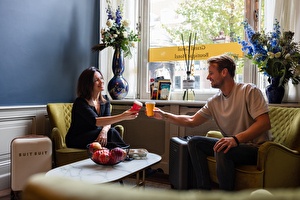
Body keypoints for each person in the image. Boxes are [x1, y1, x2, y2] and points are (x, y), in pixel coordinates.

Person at [148, 54, 272, 190]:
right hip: (231, 145)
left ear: (224, 72)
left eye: (211, 73)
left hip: (255, 149)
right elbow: (192, 120)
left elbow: (264, 123)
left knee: (222, 149)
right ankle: (204, 191)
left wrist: (235, 139)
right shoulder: (214, 101)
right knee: (195, 142)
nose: (208, 77)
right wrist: (165, 115)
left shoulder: (249, 91)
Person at [66, 66, 138, 149]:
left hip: (96, 135)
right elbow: (96, 121)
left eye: (101, 78)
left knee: (109, 140)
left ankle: (122, 154)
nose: (102, 81)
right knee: (111, 133)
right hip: (77, 139)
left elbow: (107, 121)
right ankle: (127, 152)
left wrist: (103, 131)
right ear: (88, 84)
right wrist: (123, 116)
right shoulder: (80, 102)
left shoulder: (105, 100)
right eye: (97, 80)